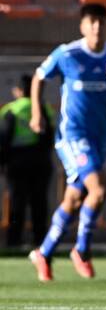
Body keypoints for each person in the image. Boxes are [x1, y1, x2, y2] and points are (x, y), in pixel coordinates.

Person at [28, 3, 106, 281]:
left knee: (75, 198)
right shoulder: (68, 54)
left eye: (101, 21)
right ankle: (82, 250)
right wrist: (37, 113)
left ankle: (43, 252)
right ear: (82, 25)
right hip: (72, 136)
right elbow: (39, 77)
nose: (96, 26)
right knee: (99, 188)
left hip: (99, 139)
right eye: (91, 21)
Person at [0, 74, 55, 247]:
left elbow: (4, 139)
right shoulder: (44, 108)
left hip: (17, 162)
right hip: (40, 160)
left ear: (17, 90)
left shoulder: (11, 109)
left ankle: (14, 241)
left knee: (17, 202)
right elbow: (49, 136)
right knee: (39, 202)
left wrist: (3, 162)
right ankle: (40, 241)